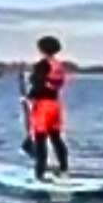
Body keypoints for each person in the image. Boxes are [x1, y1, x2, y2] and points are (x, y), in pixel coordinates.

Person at [25, 36, 69, 180]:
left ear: (41, 49)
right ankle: (64, 169)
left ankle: (40, 174)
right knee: (56, 138)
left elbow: (38, 84)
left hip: (42, 106)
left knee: (40, 139)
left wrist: (29, 97)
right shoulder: (59, 65)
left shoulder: (41, 65)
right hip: (55, 105)